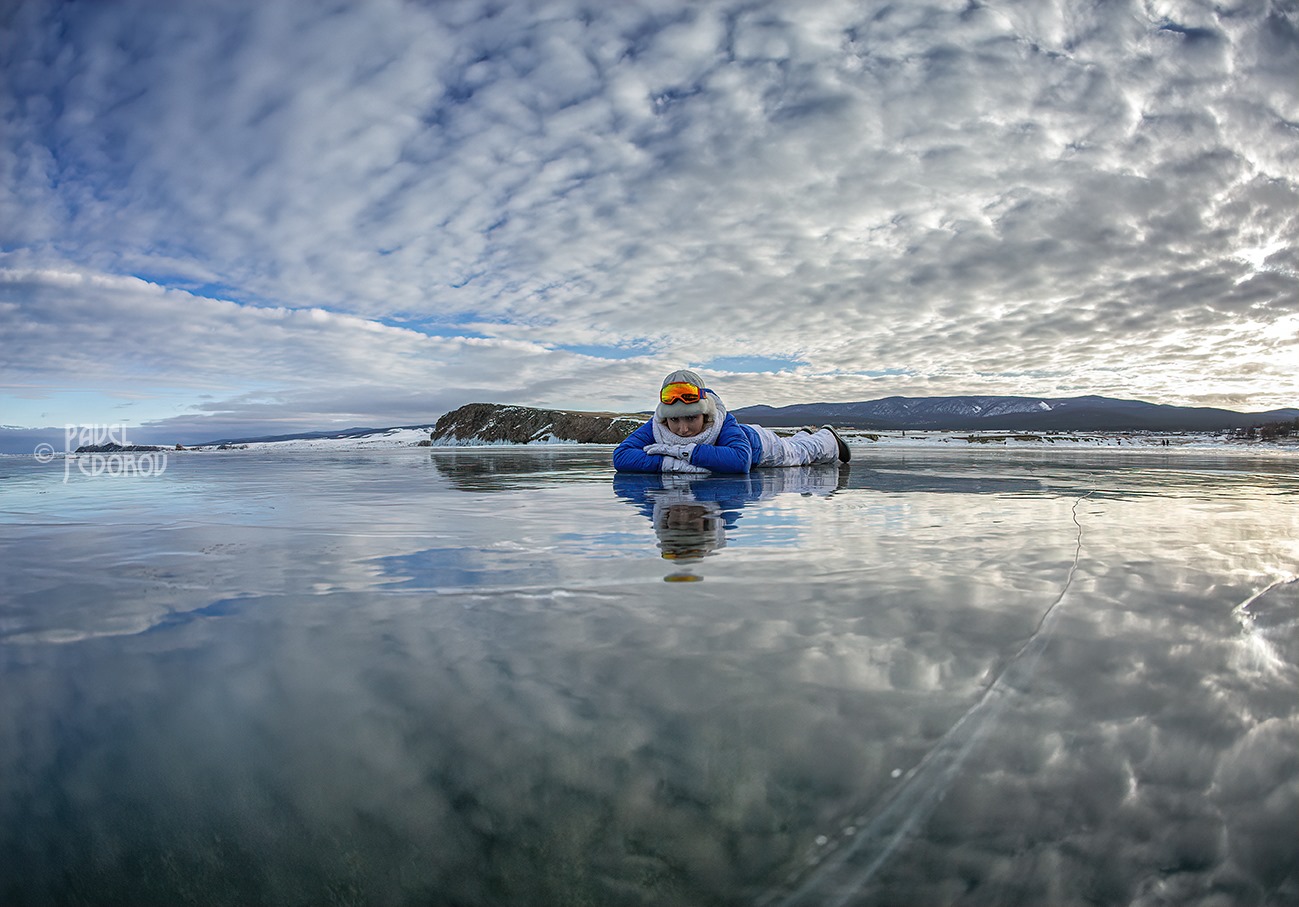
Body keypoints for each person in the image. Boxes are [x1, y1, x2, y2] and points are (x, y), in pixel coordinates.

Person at [613, 369, 851, 474]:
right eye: (674, 420)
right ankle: (803, 433)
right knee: (799, 445)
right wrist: (670, 463)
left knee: (802, 454)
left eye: (691, 418)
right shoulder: (659, 424)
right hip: (748, 444)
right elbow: (621, 456)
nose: (682, 429)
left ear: (705, 414)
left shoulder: (723, 421)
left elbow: (739, 461)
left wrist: (685, 453)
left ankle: (827, 437)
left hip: (760, 445)